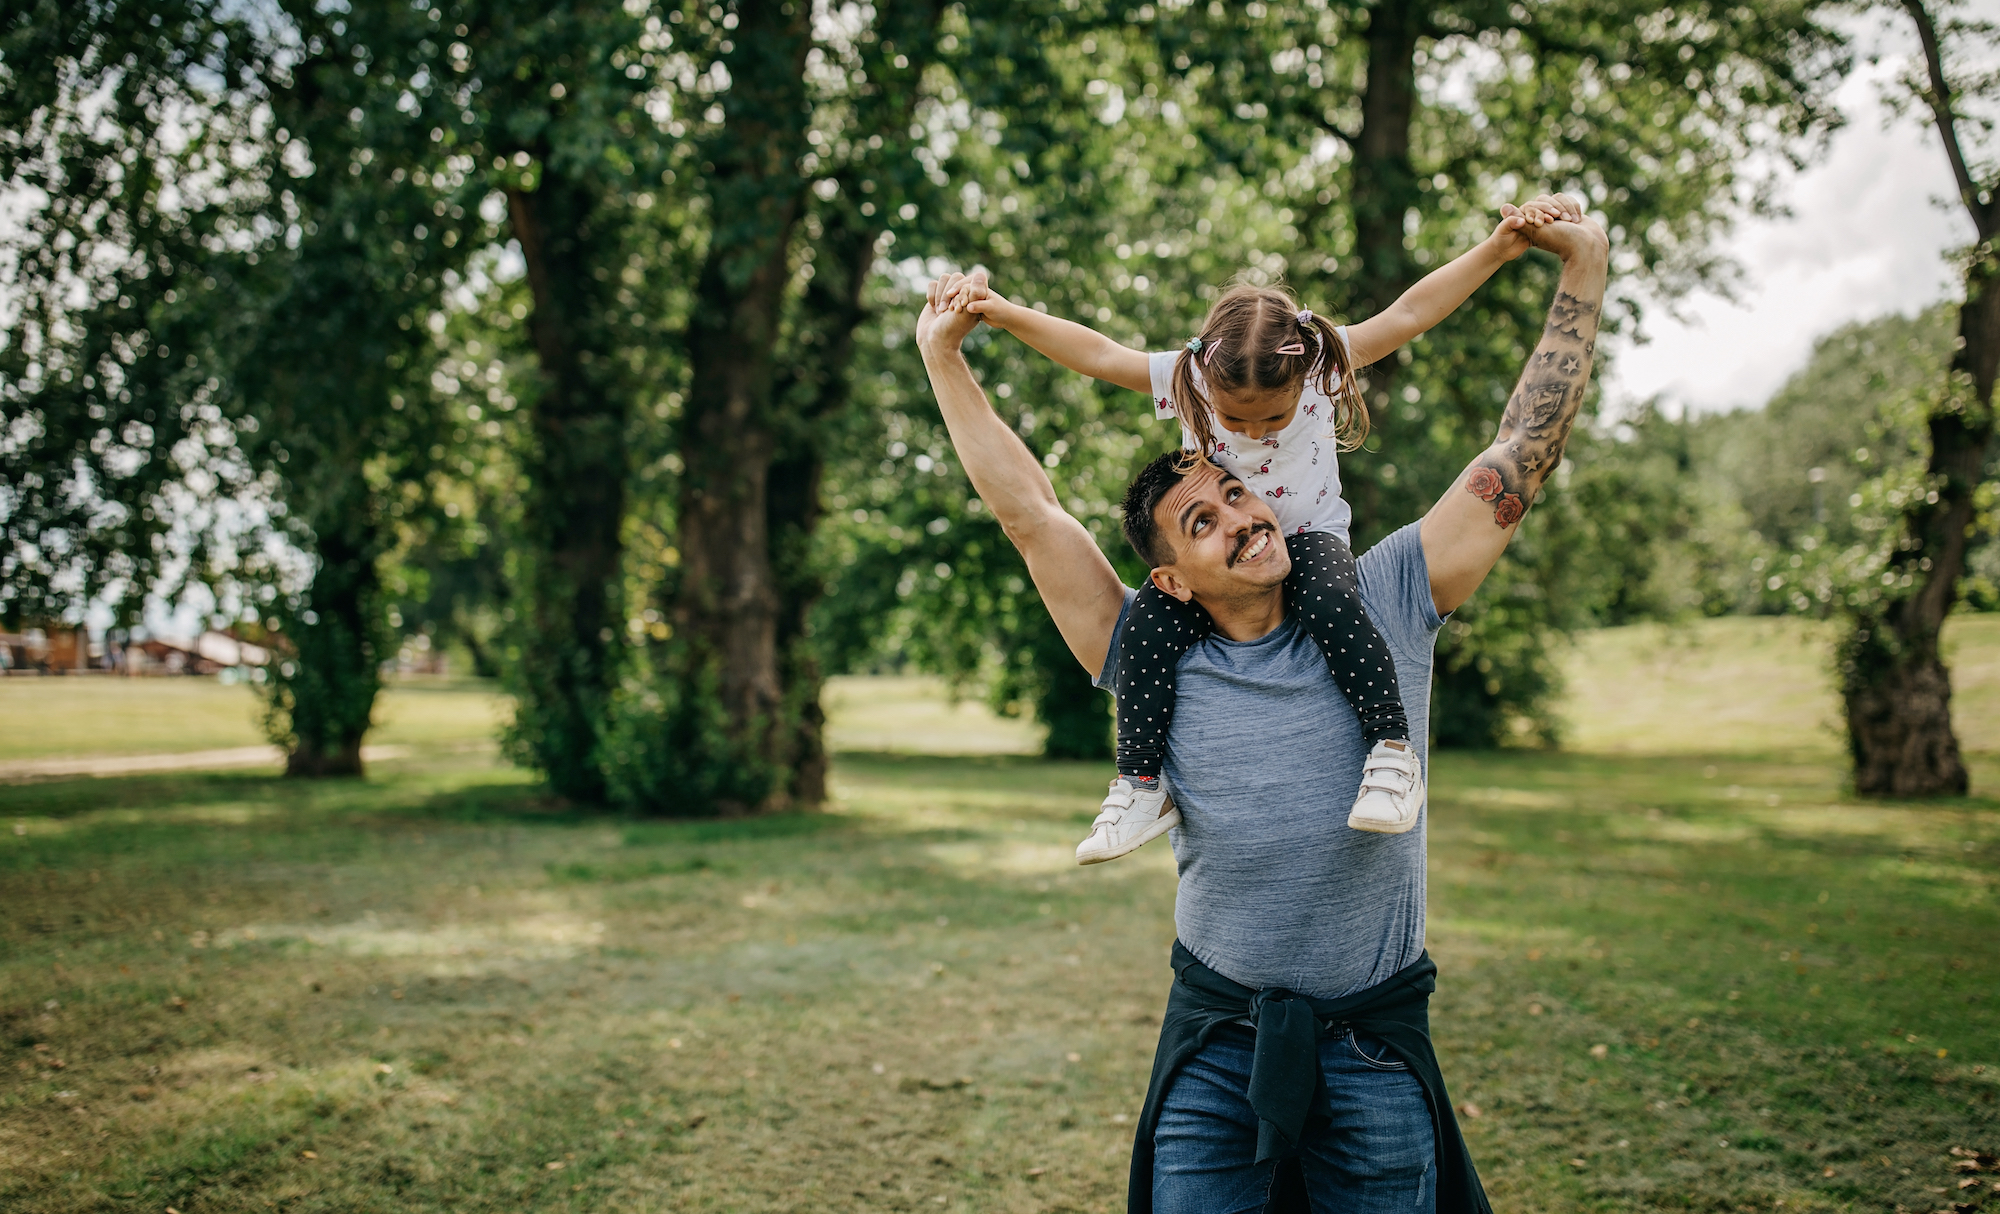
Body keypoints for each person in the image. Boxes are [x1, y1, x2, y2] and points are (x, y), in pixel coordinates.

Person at [916, 209, 1610, 1213]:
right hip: (1214, 1045)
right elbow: (1030, 513)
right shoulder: (1146, 648)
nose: (1246, 513)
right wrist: (946, 355)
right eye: (1203, 518)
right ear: (1173, 578)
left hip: (1375, 1044)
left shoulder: (1386, 596)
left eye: (1239, 492)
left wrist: (1580, 268)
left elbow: (1522, 448)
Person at [937, 195, 1581, 864]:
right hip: (1230, 557)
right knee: (1152, 625)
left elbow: (1411, 313)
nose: (1247, 434)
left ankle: (1392, 751)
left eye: (1269, 422)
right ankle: (1140, 783)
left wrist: (1498, 250)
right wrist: (1002, 314)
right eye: (1233, 421)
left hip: (1308, 540)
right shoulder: (1187, 376)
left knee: (1333, 604)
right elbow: (1098, 354)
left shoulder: (1322, 363)